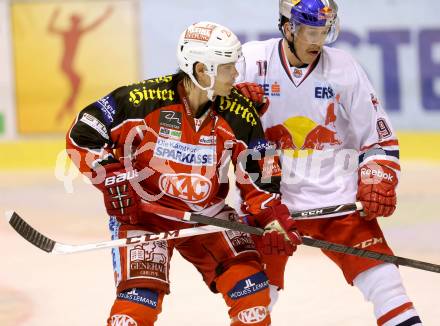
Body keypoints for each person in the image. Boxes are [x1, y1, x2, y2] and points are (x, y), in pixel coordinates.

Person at [66, 21, 301, 326]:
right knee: (137, 308)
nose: (236, 75)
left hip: (208, 214)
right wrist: (112, 177)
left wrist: (271, 216)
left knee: (252, 295)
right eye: (228, 67)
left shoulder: (240, 112)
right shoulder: (140, 100)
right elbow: (83, 133)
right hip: (145, 217)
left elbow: (261, 172)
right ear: (203, 70)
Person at [234, 1, 423, 325]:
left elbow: (379, 138)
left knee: (386, 283)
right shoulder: (251, 61)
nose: (318, 40)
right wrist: (231, 107)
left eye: (324, 31)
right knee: (255, 300)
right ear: (288, 27)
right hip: (269, 206)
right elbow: (217, 133)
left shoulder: (344, 67)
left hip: (337, 203)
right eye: (310, 31)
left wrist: (377, 177)